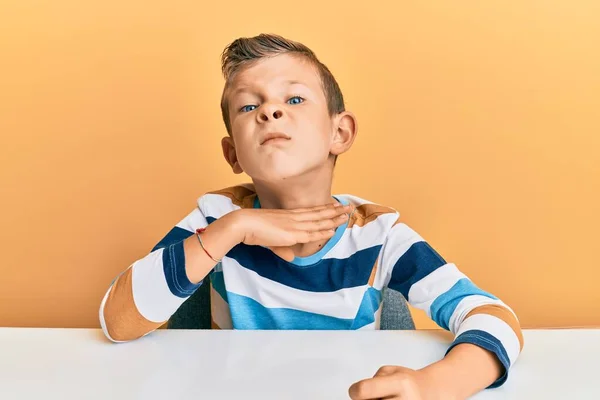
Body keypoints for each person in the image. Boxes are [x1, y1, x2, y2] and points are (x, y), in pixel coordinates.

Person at [99, 33, 523, 399]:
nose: (269, 111)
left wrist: (438, 384)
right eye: (249, 107)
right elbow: (118, 321)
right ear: (233, 154)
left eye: (294, 98)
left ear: (339, 133)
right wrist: (236, 228)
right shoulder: (217, 218)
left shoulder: (377, 234)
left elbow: (494, 316)